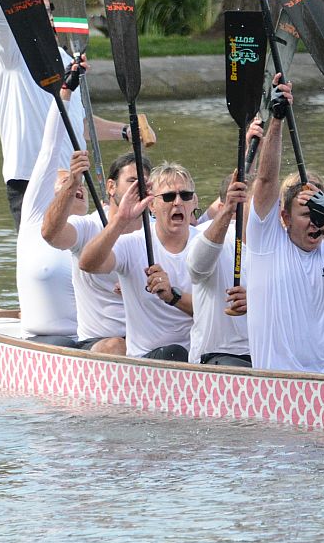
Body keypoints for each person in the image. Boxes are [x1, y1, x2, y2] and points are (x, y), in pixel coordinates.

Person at [0, 0, 130, 228]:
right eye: (39, 8)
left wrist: (124, 131)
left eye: (51, 8)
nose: (47, 14)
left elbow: (75, 121)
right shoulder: (9, 52)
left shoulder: (67, 61)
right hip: (32, 179)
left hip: (73, 176)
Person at [40, 103, 151, 355]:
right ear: (111, 187)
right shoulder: (88, 226)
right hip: (103, 342)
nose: (138, 189)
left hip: (150, 340)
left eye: (144, 184)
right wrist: (72, 183)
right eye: (132, 182)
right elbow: (51, 234)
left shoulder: (156, 229)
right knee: (117, 346)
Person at [246, 75, 324, 373]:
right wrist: (277, 120)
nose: (314, 220)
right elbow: (266, 180)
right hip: (276, 385)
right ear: (284, 218)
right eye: (305, 212)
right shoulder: (267, 240)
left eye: (319, 211)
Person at [78, 162, 198, 360]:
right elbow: (88, 264)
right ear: (152, 205)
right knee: (174, 352)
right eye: (168, 197)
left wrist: (173, 296)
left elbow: (216, 313)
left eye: (185, 196)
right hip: (144, 361)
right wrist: (120, 220)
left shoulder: (206, 244)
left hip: (197, 360)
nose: (177, 202)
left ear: (193, 202)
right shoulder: (133, 244)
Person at [14, 94, 85, 345]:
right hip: (44, 341)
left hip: (94, 339)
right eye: (65, 181)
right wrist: (64, 93)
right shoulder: (35, 220)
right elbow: (50, 149)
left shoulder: (97, 226)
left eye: (79, 182)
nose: (77, 184)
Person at [184, 159, 254, 368]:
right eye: (258, 203)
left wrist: (257, 301)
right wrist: (227, 212)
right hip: (217, 355)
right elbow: (197, 270)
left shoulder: (281, 241)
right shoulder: (206, 236)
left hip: (264, 351)